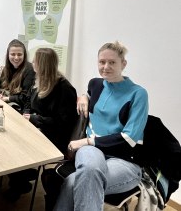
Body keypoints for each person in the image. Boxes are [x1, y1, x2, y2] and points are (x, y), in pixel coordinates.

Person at [54, 41, 148, 211]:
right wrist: (83, 96)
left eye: (112, 62)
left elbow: (130, 138)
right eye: (102, 62)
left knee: (72, 182)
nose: (106, 67)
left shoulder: (138, 93)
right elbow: (91, 95)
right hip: (93, 152)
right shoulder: (95, 84)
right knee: (89, 170)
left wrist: (87, 142)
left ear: (123, 64)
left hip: (124, 160)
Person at [5, 47, 77, 203]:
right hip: (37, 128)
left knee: (15, 146)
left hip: (54, 137)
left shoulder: (64, 88)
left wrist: (34, 119)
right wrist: (26, 116)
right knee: (7, 137)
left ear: (42, 64)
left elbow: (63, 123)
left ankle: (19, 183)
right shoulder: (38, 79)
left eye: (35, 61)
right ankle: (21, 176)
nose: (32, 63)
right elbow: (27, 103)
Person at [0, 39, 35, 112]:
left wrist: (7, 98)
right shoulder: (6, 68)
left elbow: (25, 97)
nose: (16, 58)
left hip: (18, 110)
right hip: (3, 105)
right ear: (8, 55)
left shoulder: (29, 69)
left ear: (24, 55)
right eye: (13, 54)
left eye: (19, 54)